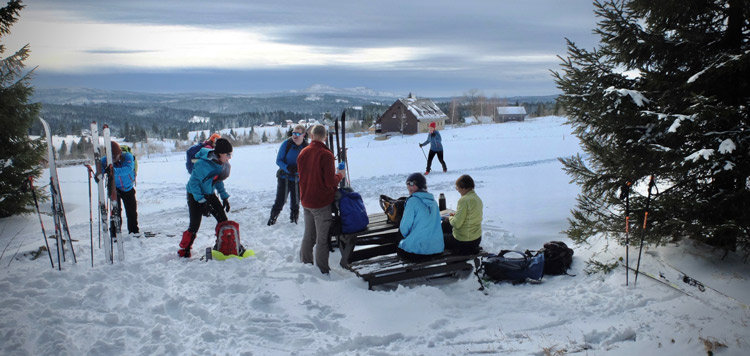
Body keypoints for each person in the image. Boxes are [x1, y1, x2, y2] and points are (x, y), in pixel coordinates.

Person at [297, 124, 345, 274]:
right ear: (324, 137)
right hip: (321, 203)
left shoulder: (303, 152)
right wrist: (340, 175)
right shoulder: (326, 155)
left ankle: (306, 264)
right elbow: (330, 182)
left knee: (308, 235)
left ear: (311, 136)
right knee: (322, 239)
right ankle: (323, 270)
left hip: (306, 199)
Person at [178, 138, 233, 258]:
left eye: (231, 154)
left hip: (209, 193)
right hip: (194, 194)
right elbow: (193, 184)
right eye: (228, 154)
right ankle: (184, 249)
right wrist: (201, 202)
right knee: (194, 225)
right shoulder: (202, 164)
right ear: (220, 153)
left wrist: (224, 196)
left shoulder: (220, 164)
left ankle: (223, 245)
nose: (230, 157)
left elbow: (217, 180)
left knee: (223, 221)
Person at [397, 173, 444, 260]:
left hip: (418, 253)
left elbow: (404, 229)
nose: (409, 186)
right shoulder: (433, 202)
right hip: (437, 250)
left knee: (400, 244)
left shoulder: (412, 201)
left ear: (419, 185)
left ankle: (408, 272)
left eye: (411, 184)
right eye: (407, 184)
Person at [268, 124, 308, 225]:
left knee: (296, 202)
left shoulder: (306, 147)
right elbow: (278, 160)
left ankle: (294, 220)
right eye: (294, 133)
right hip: (284, 177)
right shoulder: (287, 144)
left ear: (303, 135)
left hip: (298, 179)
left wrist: (298, 171)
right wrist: (287, 168)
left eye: (298, 133)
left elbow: (309, 165)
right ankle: (272, 219)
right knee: (280, 201)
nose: (295, 135)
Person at [101, 141, 139, 235]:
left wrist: (112, 171)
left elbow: (128, 169)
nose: (113, 159)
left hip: (128, 187)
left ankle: (134, 232)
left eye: (115, 157)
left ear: (120, 153)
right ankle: (114, 232)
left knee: (131, 212)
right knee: (115, 212)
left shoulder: (128, 157)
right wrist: (100, 173)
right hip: (115, 188)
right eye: (112, 157)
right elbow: (100, 168)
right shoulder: (105, 160)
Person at [442, 174, 483, 254]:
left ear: (463, 187)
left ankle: (451, 260)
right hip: (476, 239)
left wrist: (450, 218)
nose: (458, 190)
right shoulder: (477, 198)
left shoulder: (464, 200)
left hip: (464, 241)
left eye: (458, 188)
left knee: (440, 237)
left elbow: (456, 223)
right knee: (446, 225)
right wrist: (455, 216)